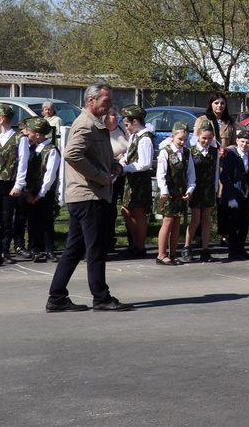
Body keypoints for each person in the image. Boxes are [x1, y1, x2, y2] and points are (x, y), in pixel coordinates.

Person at [47, 82, 133, 312]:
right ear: (91, 101)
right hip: (88, 196)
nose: (110, 105)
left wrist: (112, 165)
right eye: (106, 100)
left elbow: (94, 155)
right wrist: (99, 176)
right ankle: (101, 297)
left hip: (87, 195)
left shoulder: (97, 125)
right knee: (95, 248)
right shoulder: (86, 125)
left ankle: (56, 298)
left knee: (74, 249)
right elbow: (72, 154)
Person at [0, 103, 28, 265]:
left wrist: (19, 185)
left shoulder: (19, 139)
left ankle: (4, 249)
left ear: (1, 119)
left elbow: (23, 163)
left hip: (9, 183)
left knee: (6, 219)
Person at [116, 106, 155, 258]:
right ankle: (135, 243)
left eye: (127, 124)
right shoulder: (134, 136)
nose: (126, 128)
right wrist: (123, 162)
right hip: (132, 179)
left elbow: (145, 163)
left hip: (140, 180)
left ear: (135, 122)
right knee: (126, 210)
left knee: (138, 212)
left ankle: (140, 245)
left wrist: (125, 168)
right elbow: (129, 154)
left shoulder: (145, 138)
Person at [153, 121, 194, 266]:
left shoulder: (187, 153)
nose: (182, 142)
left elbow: (191, 174)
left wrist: (190, 189)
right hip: (168, 193)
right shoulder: (166, 151)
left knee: (177, 222)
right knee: (168, 221)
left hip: (180, 193)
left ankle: (173, 253)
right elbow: (161, 174)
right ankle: (161, 254)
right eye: (179, 139)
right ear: (172, 137)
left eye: (185, 139)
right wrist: (164, 191)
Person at [22, 117, 60, 262]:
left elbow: (50, 174)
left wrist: (41, 193)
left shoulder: (51, 150)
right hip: (31, 190)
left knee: (46, 220)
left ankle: (49, 248)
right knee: (32, 220)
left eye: (29, 131)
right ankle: (34, 248)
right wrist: (27, 191)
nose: (26, 134)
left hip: (44, 191)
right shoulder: (31, 148)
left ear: (38, 134)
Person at [184, 120, 220, 263]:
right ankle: (187, 247)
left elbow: (216, 170)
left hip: (209, 188)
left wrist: (216, 188)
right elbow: (188, 172)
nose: (206, 141)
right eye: (204, 138)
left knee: (206, 220)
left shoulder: (214, 151)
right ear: (198, 136)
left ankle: (205, 249)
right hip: (196, 188)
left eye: (209, 138)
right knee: (195, 219)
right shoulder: (192, 151)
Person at [219, 128, 249, 260]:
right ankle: (233, 251)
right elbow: (225, 177)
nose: (244, 145)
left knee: (244, 223)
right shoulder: (231, 155)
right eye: (242, 141)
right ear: (237, 141)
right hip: (234, 193)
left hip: (246, 193)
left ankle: (241, 248)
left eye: (247, 142)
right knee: (234, 224)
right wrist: (230, 197)